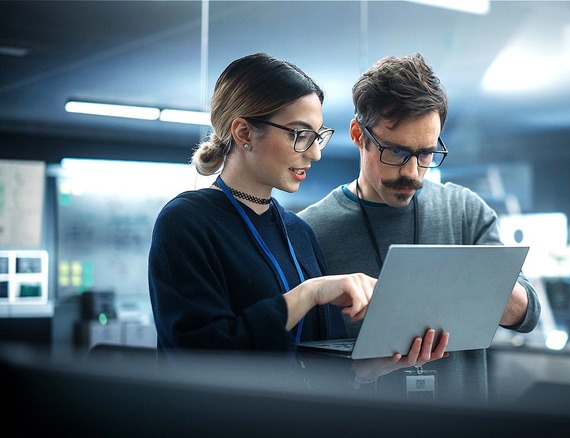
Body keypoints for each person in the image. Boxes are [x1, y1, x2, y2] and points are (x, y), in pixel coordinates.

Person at [148, 53, 447, 386]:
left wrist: (367, 367)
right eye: (299, 134)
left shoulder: (298, 233)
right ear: (244, 132)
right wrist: (309, 294)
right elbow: (199, 357)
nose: (315, 153)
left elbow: (315, 363)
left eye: (318, 136)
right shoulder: (187, 222)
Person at [298, 53, 541, 402]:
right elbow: (301, 365)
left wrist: (484, 283)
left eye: (426, 154)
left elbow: (528, 313)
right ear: (358, 135)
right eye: (396, 152)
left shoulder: (464, 210)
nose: (413, 173)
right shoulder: (310, 231)